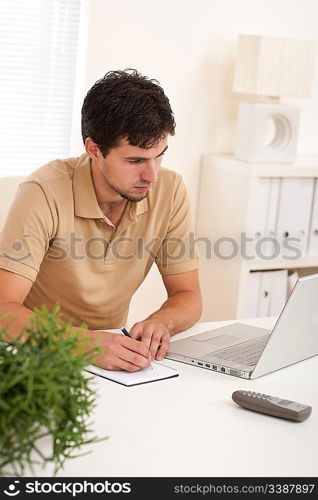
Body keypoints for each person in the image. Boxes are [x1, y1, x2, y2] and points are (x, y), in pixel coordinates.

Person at [0, 69, 202, 371]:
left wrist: (162, 322)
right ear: (94, 149)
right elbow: (4, 312)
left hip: (114, 357)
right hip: (38, 358)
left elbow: (189, 295)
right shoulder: (43, 191)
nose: (152, 175)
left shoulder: (169, 190)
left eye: (159, 156)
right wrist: (83, 344)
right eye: (135, 161)